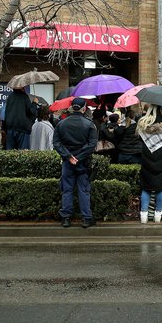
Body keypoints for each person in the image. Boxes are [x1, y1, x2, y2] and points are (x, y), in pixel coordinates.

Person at [52, 97, 98, 228]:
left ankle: (66, 218)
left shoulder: (61, 124)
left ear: (72, 107)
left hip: (68, 162)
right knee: (84, 190)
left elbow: (56, 143)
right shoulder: (89, 124)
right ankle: (86, 218)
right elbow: (92, 144)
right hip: (83, 163)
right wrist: (79, 156)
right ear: (84, 108)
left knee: (67, 189)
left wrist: (69, 157)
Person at [137, 103, 162, 224]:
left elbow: (140, 138)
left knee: (146, 186)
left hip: (147, 155)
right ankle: (158, 216)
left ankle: (143, 216)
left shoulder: (143, 123)